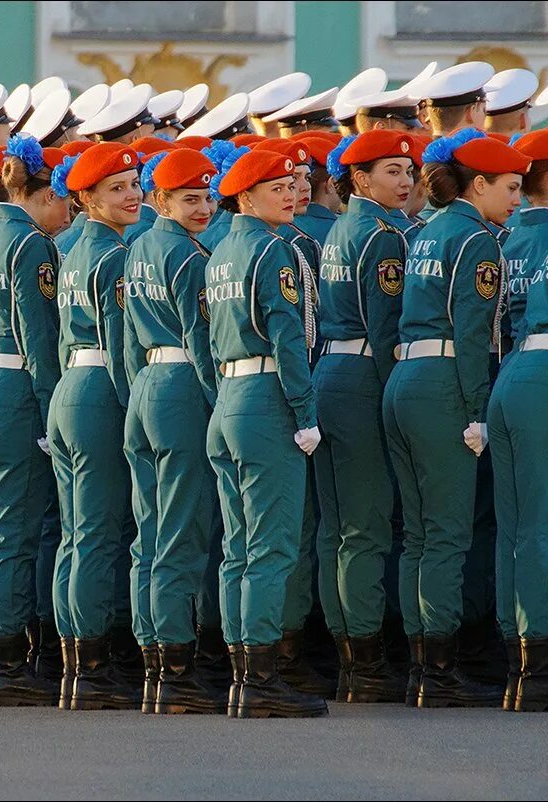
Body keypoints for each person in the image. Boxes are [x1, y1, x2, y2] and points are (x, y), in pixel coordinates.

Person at [382, 129, 526, 708]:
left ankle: (422, 665)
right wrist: (476, 410)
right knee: (445, 534)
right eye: (510, 188)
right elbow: (473, 334)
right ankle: (439, 672)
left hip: (405, 379)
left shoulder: (427, 230)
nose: (516, 200)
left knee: (418, 534)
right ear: (480, 183)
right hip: (444, 385)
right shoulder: (476, 240)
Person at [204, 148, 327, 718]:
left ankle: (240, 672)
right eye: (276, 187)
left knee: (238, 548)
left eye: (291, 185)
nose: (290, 194)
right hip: (267, 399)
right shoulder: (273, 250)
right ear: (247, 196)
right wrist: (305, 414)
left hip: (229, 397)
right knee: (271, 547)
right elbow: (288, 339)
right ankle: (260, 677)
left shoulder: (222, 250)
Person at [0, 135, 67, 707]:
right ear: (45, 194)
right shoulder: (30, 246)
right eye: (65, 200)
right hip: (16, 389)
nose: (68, 213)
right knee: (15, 533)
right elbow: (39, 336)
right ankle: (7, 665)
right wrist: (53, 409)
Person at [312, 130, 415, 704]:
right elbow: (384, 330)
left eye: (408, 170)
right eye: (392, 171)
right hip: (362, 378)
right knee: (366, 526)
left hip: (331, 372)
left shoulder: (343, 228)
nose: (404, 181)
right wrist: (392, 402)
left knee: (337, 528)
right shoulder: (381, 235)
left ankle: (348, 654)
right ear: (360, 178)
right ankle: (366, 663)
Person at [123, 147, 226, 715]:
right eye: (190, 199)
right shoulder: (188, 259)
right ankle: (177, 668)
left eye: (208, 197)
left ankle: (153, 661)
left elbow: (124, 340)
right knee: (182, 533)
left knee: (151, 533)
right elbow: (204, 345)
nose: (204, 207)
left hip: (146, 387)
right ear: (160, 200)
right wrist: (220, 406)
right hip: (183, 387)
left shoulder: (139, 248)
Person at [47, 142, 140, 711]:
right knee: (102, 531)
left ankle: (74, 660)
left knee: (78, 533)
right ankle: (94, 666)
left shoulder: (75, 250)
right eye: (118, 188)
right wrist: (135, 411)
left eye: (134, 183)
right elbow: (123, 346)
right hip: (102, 387)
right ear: (87, 198)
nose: (131, 195)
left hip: (70, 387)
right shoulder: (112, 257)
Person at [486, 128, 548, 713]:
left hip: (512, 373)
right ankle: (541, 667)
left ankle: (517, 664)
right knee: (542, 524)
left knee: (516, 525)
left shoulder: (505, 239)